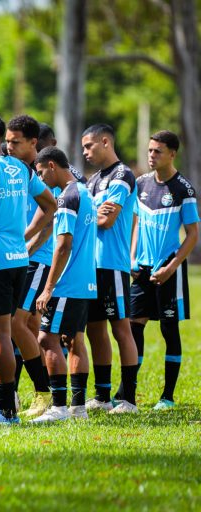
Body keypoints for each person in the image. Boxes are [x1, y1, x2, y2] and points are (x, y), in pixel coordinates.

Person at [0, 112, 56, 425]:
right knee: (14, 332)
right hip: (20, 260)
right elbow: (51, 205)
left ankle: (6, 411)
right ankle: (39, 394)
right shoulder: (20, 167)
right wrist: (24, 237)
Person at [128, 130, 198, 410]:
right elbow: (136, 224)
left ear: (172, 154)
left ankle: (167, 397)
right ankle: (126, 393)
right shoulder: (141, 183)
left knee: (170, 331)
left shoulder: (184, 189)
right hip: (141, 271)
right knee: (134, 328)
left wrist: (171, 268)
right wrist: (132, 257)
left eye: (157, 151)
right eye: (149, 150)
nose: (151, 155)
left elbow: (192, 235)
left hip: (169, 270)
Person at [33, 146, 97, 422]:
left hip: (67, 283)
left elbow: (63, 244)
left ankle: (58, 406)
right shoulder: (84, 192)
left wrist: (48, 288)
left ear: (51, 165)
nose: (40, 178)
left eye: (40, 172)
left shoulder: (67, 196)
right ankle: (78, 407)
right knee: (74, 339)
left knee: (46, 338)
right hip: (85, 282)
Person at [82, 123, 140, 414]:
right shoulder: (93, 181)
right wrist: (95, 211)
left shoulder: (123, 175)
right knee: (95, 329)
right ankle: (103, 396)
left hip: (112, 264)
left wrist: (93, 215)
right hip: (90, 265)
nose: (85, 152)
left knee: (121, 328)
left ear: (105, 142)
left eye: (89, 145)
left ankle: (128, 398)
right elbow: (94, 217)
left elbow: (107, 221)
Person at [5, 115, 53, 418]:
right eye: (7, 141)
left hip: (37, 259)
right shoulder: (15, 170)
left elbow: (51, 215)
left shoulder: (43, 171)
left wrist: (26, 244)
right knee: (29, 328)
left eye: (15, 142)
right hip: (20, 257)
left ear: (33, 143)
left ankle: (43, 392)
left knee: (15, 324)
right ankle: (27, 392)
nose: (9, 147)